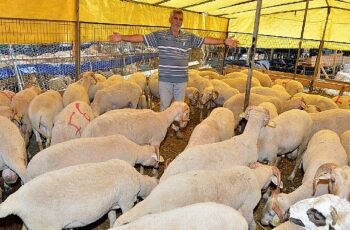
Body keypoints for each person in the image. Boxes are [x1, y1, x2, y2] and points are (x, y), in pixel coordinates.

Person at [108, 9, 239, 111]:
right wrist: (122, 37)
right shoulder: (160, 35)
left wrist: (224, 41)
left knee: (179, 105)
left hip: (181, 79)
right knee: (165, 105)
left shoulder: (188, 37)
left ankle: (176, 128)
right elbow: (142, 38)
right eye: (175, 18)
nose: (178, 21)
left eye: (180, 19)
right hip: (165, 78)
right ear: (170, 19)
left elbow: (205, 40)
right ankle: (165, 129)